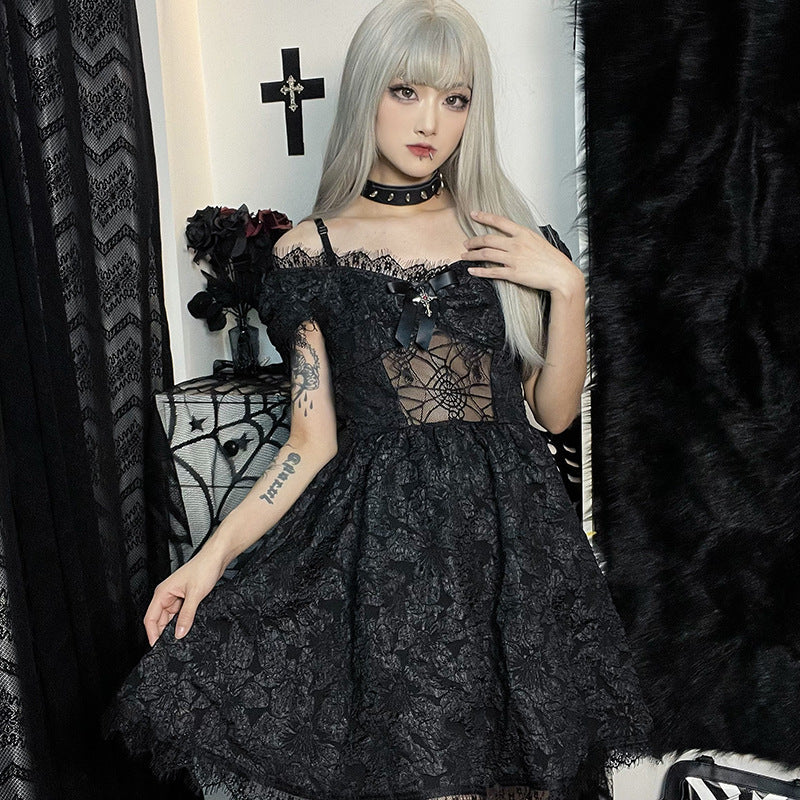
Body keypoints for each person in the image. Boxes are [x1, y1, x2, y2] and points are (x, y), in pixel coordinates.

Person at [103, 1, 652, 798]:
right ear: (368, 91)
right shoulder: (309, 252)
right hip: (387, 548)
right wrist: (209, 559)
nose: (431, 121)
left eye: (455, 99)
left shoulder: (505, 233)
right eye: (407, 91)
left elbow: (554, 413)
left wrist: (568, 289)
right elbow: (309, 442)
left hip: (514, 543)